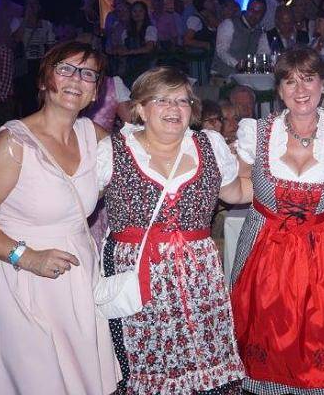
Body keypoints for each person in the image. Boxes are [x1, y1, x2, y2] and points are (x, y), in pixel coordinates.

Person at [0, 42, 120, 394]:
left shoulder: (95, 138)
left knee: (81, 381)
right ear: (45, 79)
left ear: (96, 91)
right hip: (22, 278)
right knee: (39, 381)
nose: (76, 79)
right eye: (65, 69)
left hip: (79, 276)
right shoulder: (13, 144)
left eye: (88, 74)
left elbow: (138, 175)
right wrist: (28, 257)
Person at [97, 66, 251, 394]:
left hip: (199, 276)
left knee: (205, 355)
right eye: (162, 100)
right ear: (140, 108)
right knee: (147, 361)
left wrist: (294, 188)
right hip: (139, 275)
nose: (174, 108)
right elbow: (75, 205)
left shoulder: (209, 145)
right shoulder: (112, 151)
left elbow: (237, 192)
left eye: (182, 101)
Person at [230, 47, 324, 395]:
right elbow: (238, 188)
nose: (300, 90)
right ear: (279, 90)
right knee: (267, 341)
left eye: (308, 79)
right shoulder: (257, 132)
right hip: (265, 253)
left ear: (323, 84)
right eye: (290, 82)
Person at [11, 0, 57, 115]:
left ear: (39, 7)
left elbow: (51, 46)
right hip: (24, 63)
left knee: (39, 93)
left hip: (40, 62)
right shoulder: (17, 21)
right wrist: (26, 20)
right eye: (29, 4)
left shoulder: (46, 24)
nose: (32, 7)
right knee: (25, 95)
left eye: (34, 4)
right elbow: (16, 39)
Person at [214, 0, 271, 76]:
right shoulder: (229, 23)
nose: (254, 14)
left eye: (259, 12)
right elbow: (221, 51)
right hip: (221, 75)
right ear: (247, 9)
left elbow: (261, 54)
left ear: (263, 15)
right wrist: (237, 64)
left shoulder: (260, 32)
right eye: (252, 10)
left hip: (244, 77)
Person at [115, 1, 157, 83]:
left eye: (140, 11)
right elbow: (123, 47)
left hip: (145, 67)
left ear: (145, 13)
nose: (137, 14)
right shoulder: (126, 31)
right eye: (134, 11)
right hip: (129, 69)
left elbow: (149, 48)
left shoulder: (150, 29)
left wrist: (129, 52)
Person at [183, 0, 220, 83]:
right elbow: (186, 40)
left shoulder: (209, 18)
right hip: (198, 60)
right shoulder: (195, 19)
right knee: (200, 84)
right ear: (203, 3)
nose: (214, 3)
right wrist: (206, 44)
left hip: (208, 60)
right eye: (211, 1)